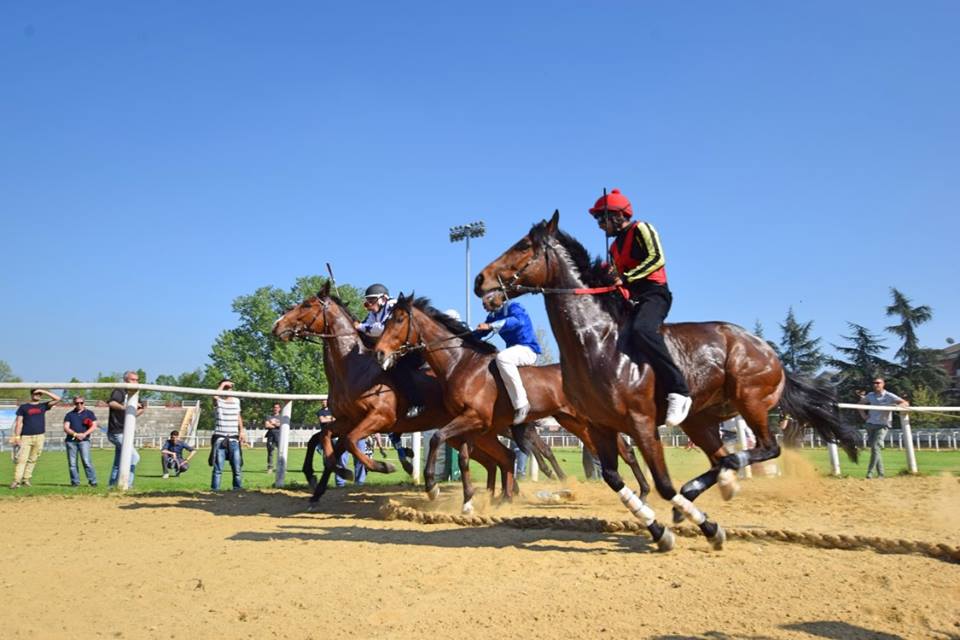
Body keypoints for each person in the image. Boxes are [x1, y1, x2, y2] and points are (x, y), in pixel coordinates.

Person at [590, 188, 692, 428]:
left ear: (617, 215)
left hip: (654, 295)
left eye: (601, 218)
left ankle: (679, 391)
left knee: (642, 330)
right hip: (630, 299)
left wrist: (625, 279)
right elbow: (613, 277)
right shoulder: (613, 248)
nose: (599, 225)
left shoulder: (642, 228)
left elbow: (657, 258)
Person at [354, 283, 425, 419]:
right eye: (367, 300)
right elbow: (367, 328)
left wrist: (361, 327)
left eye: (371, 300)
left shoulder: (393, 306)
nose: (368, 304)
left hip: (411, 349)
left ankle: (417, 402)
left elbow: (382, 328)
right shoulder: (373, 313)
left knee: (399, 368)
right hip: (394, 350)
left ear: (383, 299)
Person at [475, 290, 542, 424]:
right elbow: (480, 333)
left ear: (493, 300)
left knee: (502, 358)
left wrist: (490, 326)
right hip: (515, 351)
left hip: (528, 350)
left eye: (484, 304)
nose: (483, 307)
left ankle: (522, 404)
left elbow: (517, 322)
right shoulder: (493, 316)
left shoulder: (514, 307)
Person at [10, 388, 61, 489]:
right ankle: (16, 481)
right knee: (21, 460)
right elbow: (19, 422)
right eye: (35, 393)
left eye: (39, 394)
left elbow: (58, 399)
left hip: (39, 436)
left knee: (33, 459)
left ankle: (26, 479)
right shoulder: (24, 407)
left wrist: (44, 391)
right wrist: (17, 436)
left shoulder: (43, 406)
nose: (37, 395)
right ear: (31, 394)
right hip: (26, 437)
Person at [858, 377, 908, 479]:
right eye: (874, 383)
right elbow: (860, 405)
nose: (876, 384)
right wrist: (863, 415)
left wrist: (899, 406)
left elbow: (905, 402)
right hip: (870, 424)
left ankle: (870, 473)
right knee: (875, 450)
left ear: (883, 384)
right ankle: (881, 474)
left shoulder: (889, 395)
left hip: (883, 425)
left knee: (876, 447)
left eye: (878, 383)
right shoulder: (870, 395)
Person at [107, 370, 145, 488]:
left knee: (119, 462)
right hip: (116, 432)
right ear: (125, 380)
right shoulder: (120, 390)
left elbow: (142, 408)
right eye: (132, 379)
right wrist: (125, 407)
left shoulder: (135, 393)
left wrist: (133, 412)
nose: (135, 382)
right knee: (134, 457)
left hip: (126, 432)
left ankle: (112, 486)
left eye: (137, 380)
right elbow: (112, 403)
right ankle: (127, 484)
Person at [211, 378, 245, 491]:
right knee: (218, 468)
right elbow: (214, 396)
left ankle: (237, 489)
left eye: (228, 387)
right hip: (220, 438)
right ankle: (215, 490)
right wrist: (223, 384)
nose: (227, 389)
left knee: (237, 468)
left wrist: (242, 430)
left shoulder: (236, 401)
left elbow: (238, 416)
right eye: (225, 387)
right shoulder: (218, 401)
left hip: (234, 439)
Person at [63, 395, 98, 487]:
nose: (79, 405)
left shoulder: (90, 413)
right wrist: (75, 434)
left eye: (81, 403)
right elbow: (66, 428)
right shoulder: (69, 415)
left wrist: (84, 434)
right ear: (74, 403)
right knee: (72, 463)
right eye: (77, 403)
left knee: (87, 462)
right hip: (71, 441)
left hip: (84, 441)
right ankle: (75, 482)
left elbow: (94, 426)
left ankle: (93, 482)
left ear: (84, 403)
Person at [264, 403, 283, 472]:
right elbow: (266, 425)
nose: (276, 409)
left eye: (277, 407)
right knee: (270, 452)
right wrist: (276, 425)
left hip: (280, 437)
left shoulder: (282, 417)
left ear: (280, 409)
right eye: (274, 407)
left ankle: (281, 467)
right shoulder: (268, 417)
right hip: (270, 436)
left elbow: (282, 425)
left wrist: (272, 423)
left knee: (281, 452)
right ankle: (270, 468)